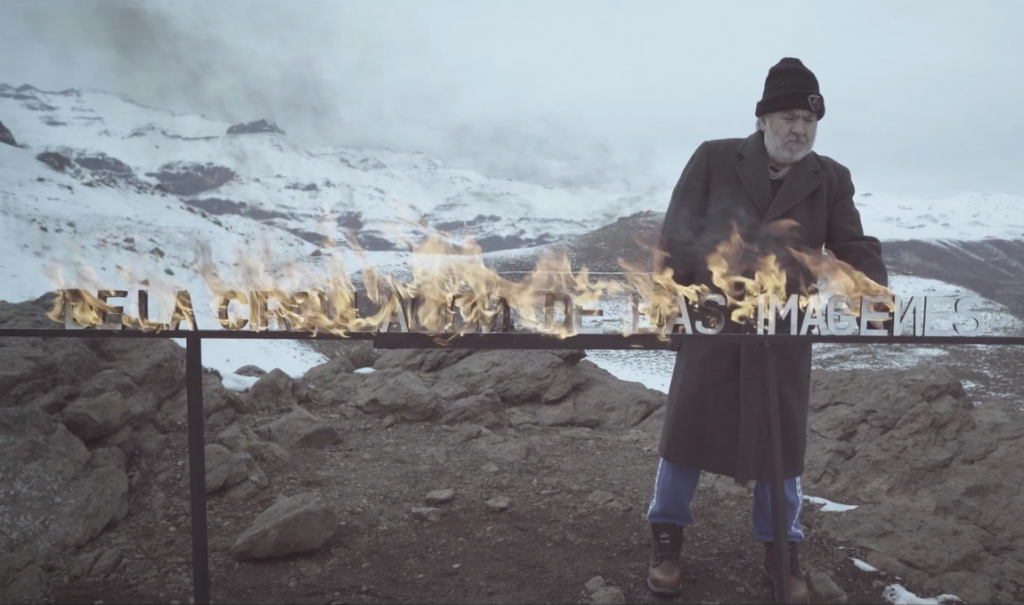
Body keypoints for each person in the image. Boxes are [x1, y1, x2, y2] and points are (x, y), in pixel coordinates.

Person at [646, 57, 889, 603]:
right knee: (685, 434)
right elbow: (677, 234)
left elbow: (852, 244)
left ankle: (781, 548)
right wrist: (671, 303)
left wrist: (875, 294)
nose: (799, 129)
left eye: (809, 120)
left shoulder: (830, 177)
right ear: (763, 119)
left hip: (784, 331)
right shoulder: (714, 158)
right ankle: (666, 538)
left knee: (782, 448)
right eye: (788, 118)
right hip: (712, 320)